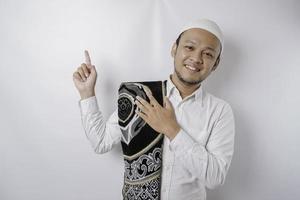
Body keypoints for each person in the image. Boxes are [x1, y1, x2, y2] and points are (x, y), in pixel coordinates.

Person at [73, 19, 235, 200]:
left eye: (207, 54)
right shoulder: (139, 95)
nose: (196, 58)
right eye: (190, 47)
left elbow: (215, 177)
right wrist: (87, 94)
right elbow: (100, 143)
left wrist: (172, 130)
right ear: (174, 49)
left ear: (216, 63)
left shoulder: (220, 111)